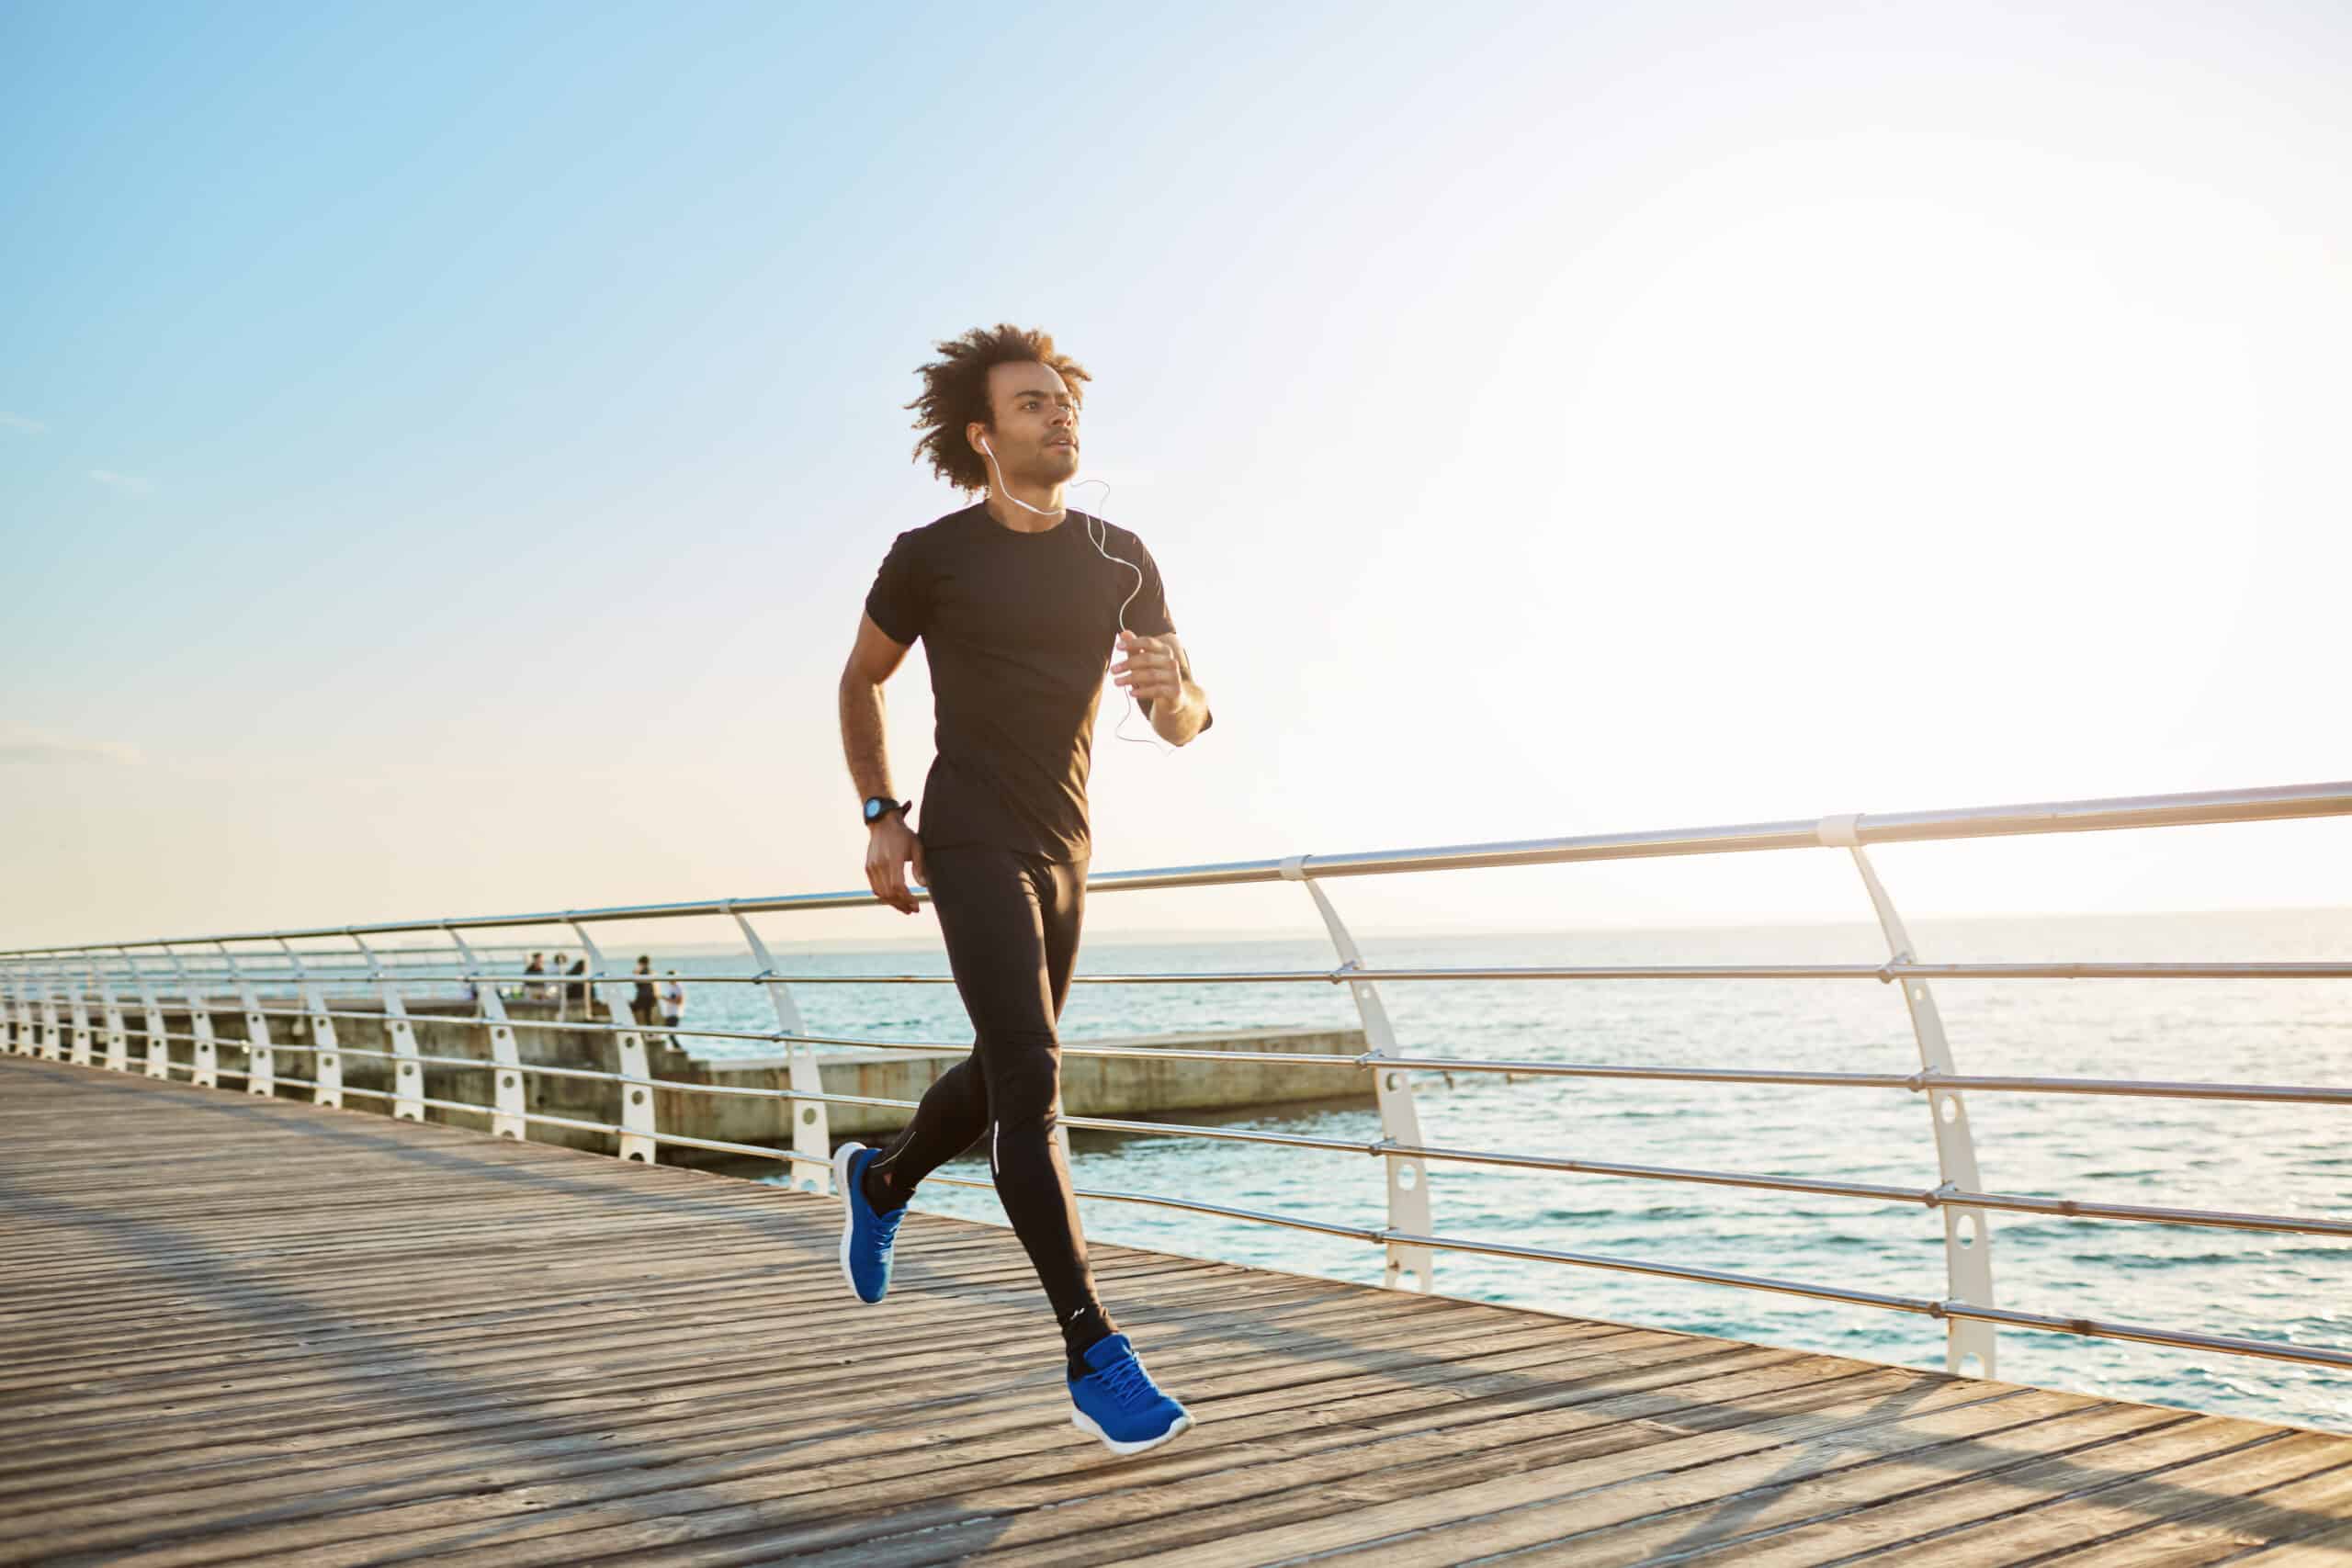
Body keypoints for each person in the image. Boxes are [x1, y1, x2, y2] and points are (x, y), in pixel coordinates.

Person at [834, 324, 1215, 1458]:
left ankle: (885, 1177)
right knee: (1034, 1080)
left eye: (1064, 400)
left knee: (1011, 1064)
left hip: (1066, 847)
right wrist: (880, 813)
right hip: (967, 838)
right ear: (983, 433)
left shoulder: (1121, 554)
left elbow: (1184, 720)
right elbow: (861, 678)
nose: (1060, 416)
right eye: (1033, 403)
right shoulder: (930, 555)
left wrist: (1174, 687)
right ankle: (1092, 1346)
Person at [629, 955, 657, 1028]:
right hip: (651, 996)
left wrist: (636, 972)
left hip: (643, 997)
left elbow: (638, 982)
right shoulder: (652, 971)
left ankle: (629, 1026)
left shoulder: (643, 971)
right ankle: (651, 1034)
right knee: (647, 1017)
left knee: (629, 1009)